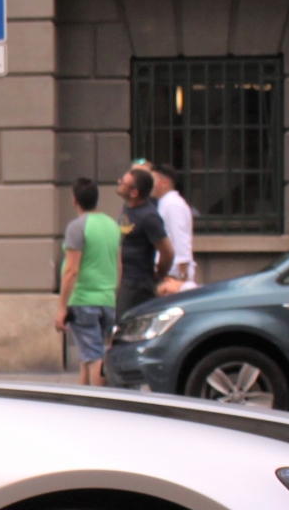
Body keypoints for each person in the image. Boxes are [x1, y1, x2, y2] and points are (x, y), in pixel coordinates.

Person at [54, 177, 122, 385]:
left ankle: (99, 405)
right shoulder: (112, 225)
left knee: (93, 358)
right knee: (88, 355)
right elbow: (119, 265)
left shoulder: (77, 227)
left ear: (74, 200)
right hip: (107, 298)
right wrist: (112, 293)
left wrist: (62, 307)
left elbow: (71, 270)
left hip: (83, 300)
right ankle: (81, 401)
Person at [117, 166, 173, 313]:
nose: (119, 183)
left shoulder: (149, 218)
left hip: (137, 283)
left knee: (122, 325)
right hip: (124, 278)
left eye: (123, 183)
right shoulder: (127, 207)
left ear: (134, 193)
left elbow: (167, 252)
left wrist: (160, 273)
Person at [149, 159, 197, 293]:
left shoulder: (173, 205)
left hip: (174, 276)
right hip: (168, 274)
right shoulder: (164, 204)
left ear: (165, 183)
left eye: (154, 180)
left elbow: (180, 240)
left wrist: (182, 278)